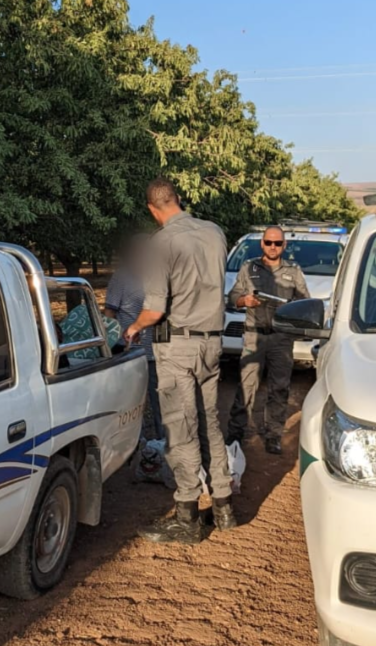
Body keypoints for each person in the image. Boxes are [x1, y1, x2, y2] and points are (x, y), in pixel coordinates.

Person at [124, 178, 237, 544]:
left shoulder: (162, 242)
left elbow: (155, 309)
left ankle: (187, 515)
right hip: (211, 343)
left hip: (179, 346)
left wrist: (133, 328)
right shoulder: (215, 232)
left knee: (179, 427)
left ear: (152, 209)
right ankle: (223, 506)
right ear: (178, 199)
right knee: (211, 423)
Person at [224, 225, 309, 455]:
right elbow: (232, 297)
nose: (273, 247)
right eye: (269, 242)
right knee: (246, 386)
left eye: (277, 243)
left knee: (279, 389)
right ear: (262, 244)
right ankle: (234, 435)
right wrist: (244, 301)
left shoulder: (293, 271)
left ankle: (273, 436)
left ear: (284, 245)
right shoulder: (248, 267)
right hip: (254, 335)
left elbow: (304, 302)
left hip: (281, 338)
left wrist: (293, 309)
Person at [104, 234, 162, 440]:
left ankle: (163, 442)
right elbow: (110, 314)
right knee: (129, 402)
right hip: (128, 352)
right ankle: (129, 442)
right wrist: (109, 344)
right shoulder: (121, 277)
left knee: (160, 401)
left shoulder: (160, 278)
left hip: (156, 352)